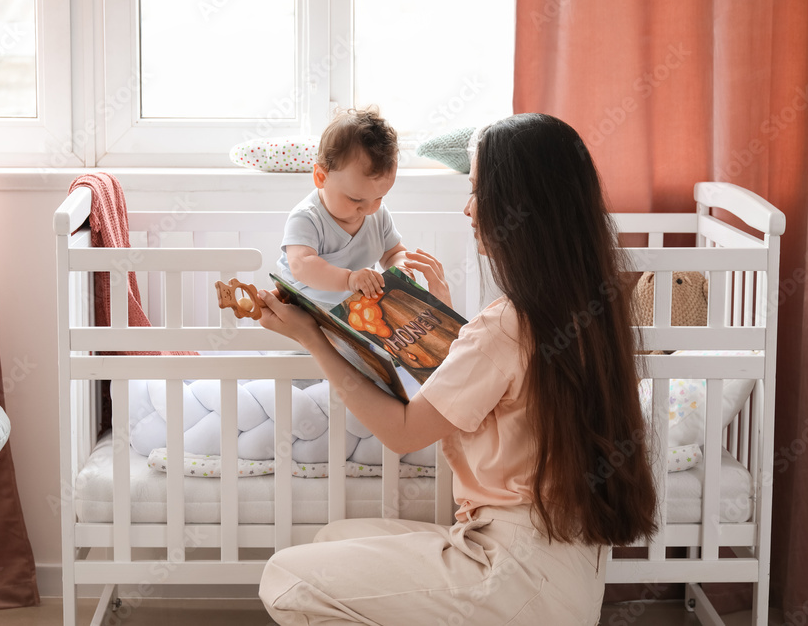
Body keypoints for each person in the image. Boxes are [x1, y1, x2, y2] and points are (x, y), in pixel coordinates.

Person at [255, 113, 658, 625]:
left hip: (516, 570)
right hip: (559, 565)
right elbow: (491, 387)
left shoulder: (508, 323)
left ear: (521, 208)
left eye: (477, 192)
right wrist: (445, 321)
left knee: (286, 576)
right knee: (331, 540)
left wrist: (312, 336)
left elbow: (403, 432)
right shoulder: (584, 307)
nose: (468, 210)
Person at [277, 107, 411, 306]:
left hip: (355, 309)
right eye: (355, 200)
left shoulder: (379, 215)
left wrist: (400, 269)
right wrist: (348, 279)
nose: (368, 209)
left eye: (379, 197)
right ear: (321, 177)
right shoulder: (307, 218)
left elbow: (394, 253)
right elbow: (301, 265)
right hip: (309, 306)